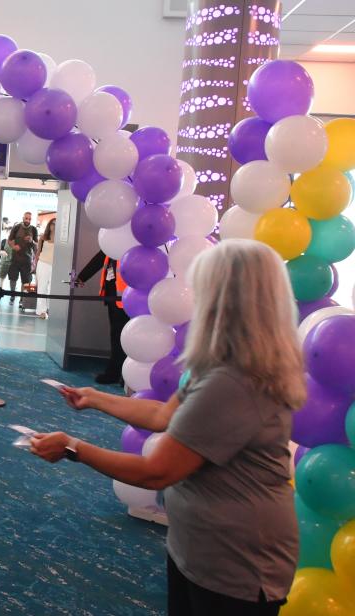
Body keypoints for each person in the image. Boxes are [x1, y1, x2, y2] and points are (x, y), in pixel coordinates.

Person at [29, 239, 304, 616]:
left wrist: (72, 447)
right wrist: (95, 398)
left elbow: (157, 471)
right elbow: (163, 417)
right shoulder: (221, 365)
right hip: (203, 546)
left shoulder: (235, 380)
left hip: (237, 560)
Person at [75, 250, 128, 384]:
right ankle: (119, 373)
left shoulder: (131, 239)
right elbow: (101, 257)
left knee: (121, 335)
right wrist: (82, 277)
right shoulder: (113, 240)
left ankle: (118, 374)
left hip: (127, 296)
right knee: (117, 335)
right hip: (113, 294)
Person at [6, 212, 37, 304]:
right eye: (26, 218)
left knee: (26, 281)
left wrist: (32, 241)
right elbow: (9, 240)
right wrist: (13, 246)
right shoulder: (16, 227)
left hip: (27, 260)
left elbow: (36, 245)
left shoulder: (34, 229)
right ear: (23, 218)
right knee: (12, 278)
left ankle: (22, 299)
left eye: (29, 219)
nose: (27, 220)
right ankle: (12, 295)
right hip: (15, 258)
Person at [34, 218, 55, 318]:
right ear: (49, 225)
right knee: (42, 287)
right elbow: (38, 252)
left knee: (51, 289)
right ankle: (42, 311)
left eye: (56, 224)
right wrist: (34, 265)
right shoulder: (43, 237)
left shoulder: (61, 239)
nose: (54, 226)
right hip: (42, 264)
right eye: (52, 224)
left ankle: (51, 309)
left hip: (55, 266)